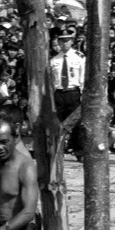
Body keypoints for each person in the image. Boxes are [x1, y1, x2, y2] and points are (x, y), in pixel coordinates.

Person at [51, 29, 84, 159]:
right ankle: (59, 151)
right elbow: (52, 81)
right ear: (58, 42)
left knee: (77, 124)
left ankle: (79, 152)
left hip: (73, 92)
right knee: (58, 123)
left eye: (67, 40)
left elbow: (83, 77)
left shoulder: (79, 57)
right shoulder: (54, 60)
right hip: (59, 94)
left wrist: (82, 94)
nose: (64, 43)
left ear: (72, 41)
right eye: (62, 40)